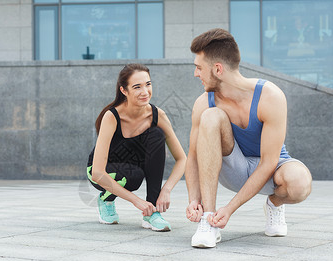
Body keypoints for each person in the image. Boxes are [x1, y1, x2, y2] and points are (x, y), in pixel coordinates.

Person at [185, 28, 312, 248]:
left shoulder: (269, 96)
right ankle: (208, 220)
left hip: (270, 169)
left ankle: (274, 203)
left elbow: (268, 162)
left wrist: (230, 209)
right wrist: (194, 200)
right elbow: (193, 157)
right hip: (231, 167)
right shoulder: (204, 102)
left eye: (199, 68)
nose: (196, 74)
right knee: (211, 116)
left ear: (217, 69)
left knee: (300, 183)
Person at [87, 63, 186, 231]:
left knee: (156, 135)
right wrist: (136, 201)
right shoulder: (112, 116)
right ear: (124, 91)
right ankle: (106, 199)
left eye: (148, 84)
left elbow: (182, 159)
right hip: (102, 171)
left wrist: (166, 190)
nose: (145, 92)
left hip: (133, 166)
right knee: (133, 177)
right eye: (137, 87)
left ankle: (152, 214)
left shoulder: (157, 115)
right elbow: (97, 172)